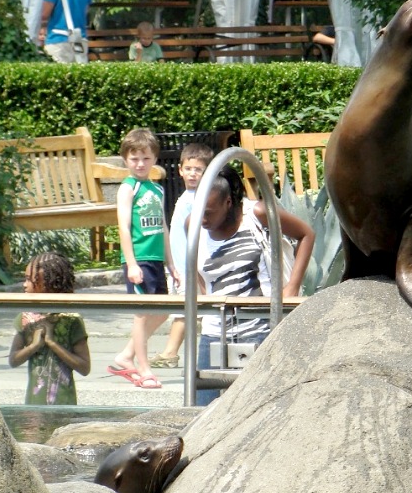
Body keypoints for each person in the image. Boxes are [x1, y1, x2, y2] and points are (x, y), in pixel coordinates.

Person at [195, 165, 315, 404]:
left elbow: (306, 234)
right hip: (215, 330)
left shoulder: (257, 215)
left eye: (208, 212)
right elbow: (197, 271)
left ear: (228, 202)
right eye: (199, 211)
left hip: (259, 329)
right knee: (201, 408)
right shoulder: (194, 223)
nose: (203, 219)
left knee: (258, 404)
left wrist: (291, 287)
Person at [108, 128, 179, 389]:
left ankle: (126, 355)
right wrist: (132, 263)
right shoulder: (128, 188)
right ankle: (143, 367)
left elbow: (163, 227)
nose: (140, 164)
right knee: (141, 315)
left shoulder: (156, 190)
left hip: (156, 258)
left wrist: (171, 263)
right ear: (126, 159)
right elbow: (123, 227)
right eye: (134, 158)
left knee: (161, 312)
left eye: (146, 158)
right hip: (138, 258)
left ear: (154, 159)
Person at [149, 143, 213, 368]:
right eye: (189, 168)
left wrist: (194, 268)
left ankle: (171, 352)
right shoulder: (188, 196)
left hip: (189, 266)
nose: (193, 173)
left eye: (199, 169)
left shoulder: (200, 199)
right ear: (180, 169)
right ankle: (172, 352)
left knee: (186, 309)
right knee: (184, 308)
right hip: (178, 265)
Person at [9, 252, 90, 405]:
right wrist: (34, 346)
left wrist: (52, 343)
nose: (24, 285)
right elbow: (13, 360)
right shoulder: (25, 319)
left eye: (30, 279)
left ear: (49, 283)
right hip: (34, 407)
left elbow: (85, 367)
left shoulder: (71, 320)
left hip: (65, 407)